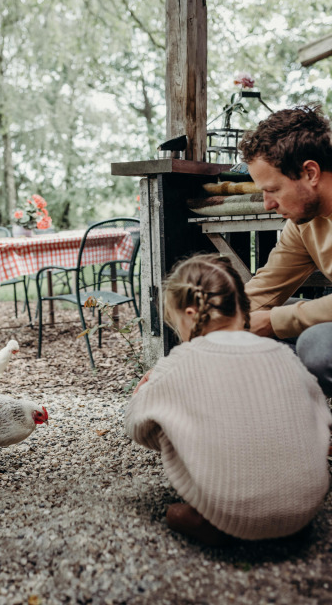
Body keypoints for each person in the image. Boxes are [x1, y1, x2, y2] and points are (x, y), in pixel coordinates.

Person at [124, 254, 331, 546]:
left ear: (192, 314)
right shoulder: (285, 355)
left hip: (229, 516)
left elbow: (137, 428)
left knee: (173, 512)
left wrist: (151, 398)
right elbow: (321, 416)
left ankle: (227, 520)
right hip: (304, 513)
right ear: (241, 305)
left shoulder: (179, 362)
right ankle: (287, 508)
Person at [239, 104, 332, 396]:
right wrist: (182, 360)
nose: (267, 204)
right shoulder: (304, 223)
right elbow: (263, 290)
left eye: (273, 189)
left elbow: (274, 320)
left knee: (318, 345)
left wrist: (273, 321)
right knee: (239, 324)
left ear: (310, 173)